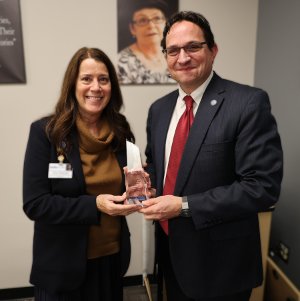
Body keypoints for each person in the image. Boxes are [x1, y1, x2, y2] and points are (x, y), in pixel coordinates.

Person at [140, 11, 283, 301]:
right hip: (171, 253)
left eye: (193, 47)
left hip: (221, 264)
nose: (183, 57)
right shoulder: (159, 109)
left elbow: (262, 188)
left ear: (213, 50)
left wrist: (183, 206)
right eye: (173, 50)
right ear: (165, 57)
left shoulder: (248, 103)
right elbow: (159, 166)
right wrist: (143, 184)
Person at [23, 47, 141, 301]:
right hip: (62, 267)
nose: (96, 87)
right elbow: (35, 204)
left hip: (111, 261)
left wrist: (139, 190)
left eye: (104, 79)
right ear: (72, 85)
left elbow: (128, 180)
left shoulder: (121, 130)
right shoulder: (47, 133)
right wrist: (95, 204)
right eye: (86, 78)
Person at [117, 0, 176, 84]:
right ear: (132, 29)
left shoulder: (176, 55)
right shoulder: (121, 64)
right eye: (142, 20)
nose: (151, 26)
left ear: (166, 24)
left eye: (157, 18)